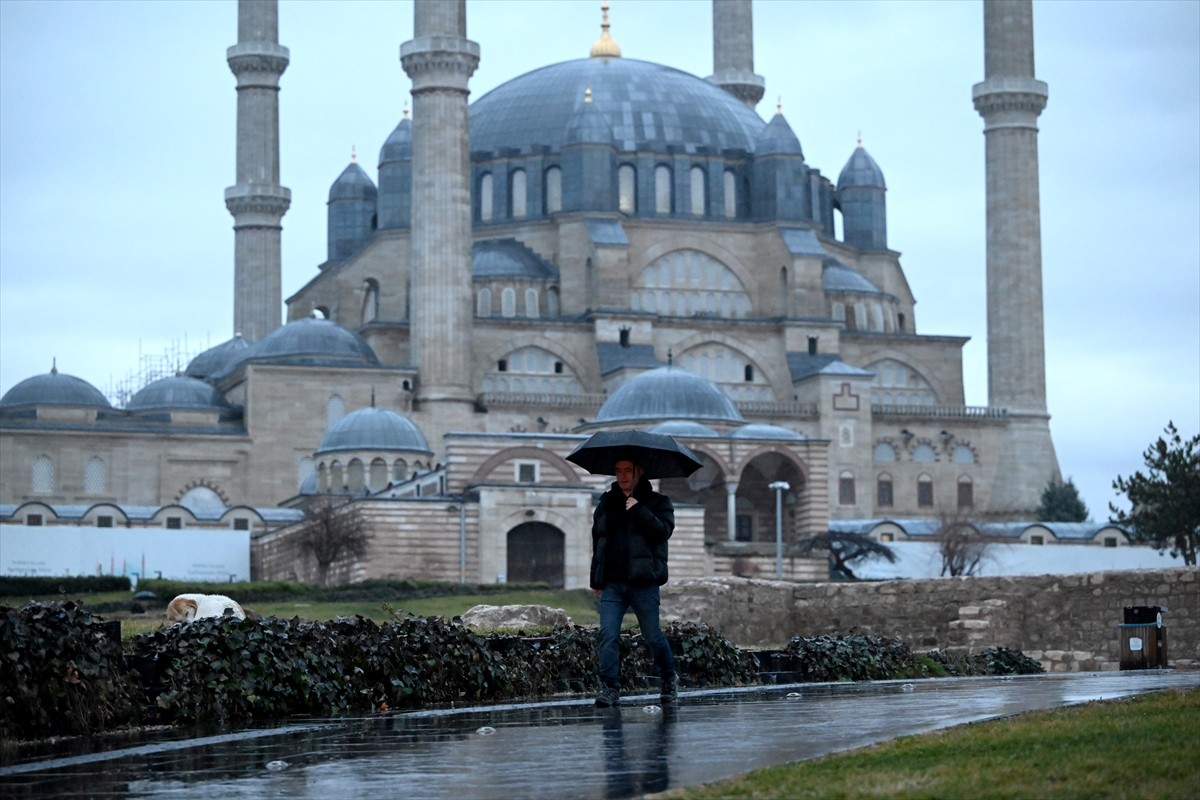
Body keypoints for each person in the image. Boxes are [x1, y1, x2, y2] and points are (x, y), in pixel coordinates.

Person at [590, 457, 679, 707]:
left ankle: (668, 679)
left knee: (652, 636)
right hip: (613, 583)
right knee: (608, 634)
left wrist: (640, 510)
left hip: (644, 582)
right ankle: (609, 688)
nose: (622, 476)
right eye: (618, 471)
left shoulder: (659, 502)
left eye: (627, 470)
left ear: (639, 472)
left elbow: (664, 532)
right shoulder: (606, 502)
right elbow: (598, 542)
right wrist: (596, 580)